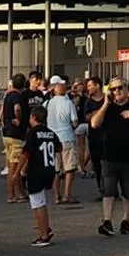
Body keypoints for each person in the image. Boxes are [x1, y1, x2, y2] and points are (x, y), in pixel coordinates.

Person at [91, 78, 129, 237]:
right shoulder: (108, 107)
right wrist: (105, 104)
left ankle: (125, 220)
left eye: (120, 88)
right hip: (109, 155)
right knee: (108, 190)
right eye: (113, 89)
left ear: (127, 88)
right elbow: (94, 124)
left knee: (128, 191)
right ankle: (107, 221)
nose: (117, 92)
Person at [42, 78, 80, 206]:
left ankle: (56, 195)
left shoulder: (47, 104)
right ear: (56, 87)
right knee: (69, 168)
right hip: (67, 137)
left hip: (52, 139)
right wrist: (70, 126)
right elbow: (75, 122)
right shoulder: (69, 103)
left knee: (55, 169)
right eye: (62, 85)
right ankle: (67, 194)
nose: (65, 86)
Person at [24, 118, 62, 247]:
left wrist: (18, 171)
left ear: (34, 118)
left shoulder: (33, 133)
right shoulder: (51, 133)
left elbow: (26, 153)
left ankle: (43, 235)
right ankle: (46, 228)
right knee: (42, 201)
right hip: (49, 169)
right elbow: (59, 148)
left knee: (37, 203)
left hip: (36, 170)